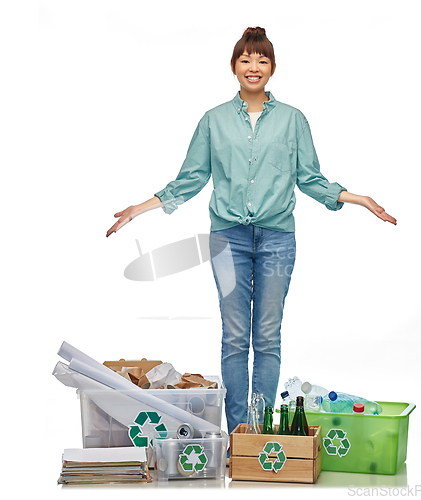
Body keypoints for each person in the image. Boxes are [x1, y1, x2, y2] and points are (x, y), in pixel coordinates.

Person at [106, 27, 396, 436]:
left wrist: (357, 199)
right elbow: (190, 178)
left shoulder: (293, 120)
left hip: (277, 238)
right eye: (246, 59)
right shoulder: (214, 121)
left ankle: (260, 435)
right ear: (233, 67)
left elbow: (310, 178)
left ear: (273, 68)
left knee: (268, 336)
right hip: (228, 239)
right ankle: (239, 435)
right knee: (236, 336)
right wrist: (142, 207)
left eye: (261, 60)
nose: (253, 67)